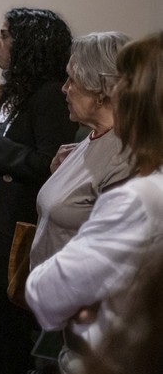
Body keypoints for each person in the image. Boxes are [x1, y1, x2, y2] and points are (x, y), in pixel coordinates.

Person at [26, 31, 163, 374]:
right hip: (71, 328)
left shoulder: (134, 177)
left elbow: (51, 289)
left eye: (73, 79)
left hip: (98, 346)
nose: (64, 87)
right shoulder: (85, 141)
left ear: (106, 89)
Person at [0, 8, 78, 374]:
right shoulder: (16, 93)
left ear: (28, 44)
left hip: (15, 228)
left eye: (6, 35)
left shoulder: (48, 97)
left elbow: (47, 164)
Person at [30, 32, 133, 269]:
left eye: (71, 80)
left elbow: (115, 257)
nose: (64, 89)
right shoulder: (91, 138)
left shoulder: (125, 156)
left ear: (101, 90)